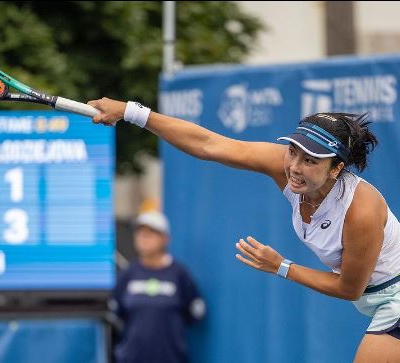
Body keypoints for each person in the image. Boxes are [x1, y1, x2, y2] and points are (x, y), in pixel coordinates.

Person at [88, 98, 400, 362]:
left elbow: (349, 289)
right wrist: (130, 111)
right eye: (294, 151)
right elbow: (209, 144)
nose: (294, 166)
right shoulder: (285, 166)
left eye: (311, 160)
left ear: (336, 169)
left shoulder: (361, 211)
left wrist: (282, 267)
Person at [109, 210, 205, 363]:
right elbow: (115, 313)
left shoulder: (179, 274)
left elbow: (195, 312)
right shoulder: (128, 274)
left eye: (151, 233)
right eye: (140, 233)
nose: (144, 238)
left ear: (165, 238)